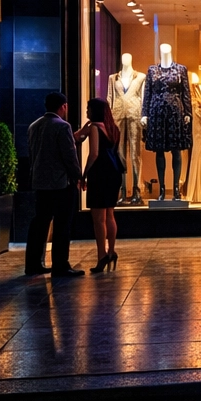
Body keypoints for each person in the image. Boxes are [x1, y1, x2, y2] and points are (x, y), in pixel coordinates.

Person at [25, 92, 84, 277]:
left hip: (40, 183)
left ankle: (33, 263)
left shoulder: (34, 126)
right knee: (62, 225)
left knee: (39, 224)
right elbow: (69, 156)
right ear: (63, 106)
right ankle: (60, 264)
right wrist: (79, 177)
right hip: (60, 184)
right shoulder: (63, 126)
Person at [78, 97, 121, 272]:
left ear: (94, 111)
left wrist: (84, 174)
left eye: (88, 109)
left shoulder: (95, 128)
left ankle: (101, 256)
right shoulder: (113, 129)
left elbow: (93, 153)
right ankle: (111, 251)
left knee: (98, 219)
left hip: (100, 173)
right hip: (114, 172)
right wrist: (84, 130)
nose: (87, 112)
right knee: (110, 214)